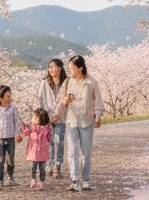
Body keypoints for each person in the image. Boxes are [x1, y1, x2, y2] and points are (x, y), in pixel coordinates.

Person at [53, 55, 104, 192]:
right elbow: (60, 100)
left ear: (80, 68)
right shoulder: (68, 82)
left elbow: (98, 101)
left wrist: (98, 117)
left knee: (86, 152)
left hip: (87, 121)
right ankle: (75, 180)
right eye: (69, 67)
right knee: (72, 151)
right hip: (71, 121)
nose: (70, 70)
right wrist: (62, 106)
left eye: (72, 68)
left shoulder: (91, 82)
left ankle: (86, 180)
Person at [0, 84, 23, 190]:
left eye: (10, 95)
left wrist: (18, 134)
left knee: (10, 159)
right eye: (8, 95)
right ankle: (0, 180)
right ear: (0, 97)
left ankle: (11, 177)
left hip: (10, 137)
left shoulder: (13, 108)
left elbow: (17, 121)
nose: (10, 97)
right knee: (0, 159)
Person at [38, 58, 68, 177]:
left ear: (60, 68)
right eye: (50, 67)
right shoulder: (44, 83)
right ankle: (50, 165)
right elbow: (41, 100)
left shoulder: (66, 82)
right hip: (47, 118)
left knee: (59, 141)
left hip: (61, 117)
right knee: (50, 142)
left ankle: (58, 166)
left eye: (54, 66)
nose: (51, 69)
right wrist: (43, 118)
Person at [22, 108, 53, 189]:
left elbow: (26, 132)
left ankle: (40, 181)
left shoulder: (40, 129)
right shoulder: (35, 128)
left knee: (39, 168)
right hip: (38, 152)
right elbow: (49, 138)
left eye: (35, 118)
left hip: (38, 152)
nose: (33, 120)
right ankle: (35, 180)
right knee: (36, 167)